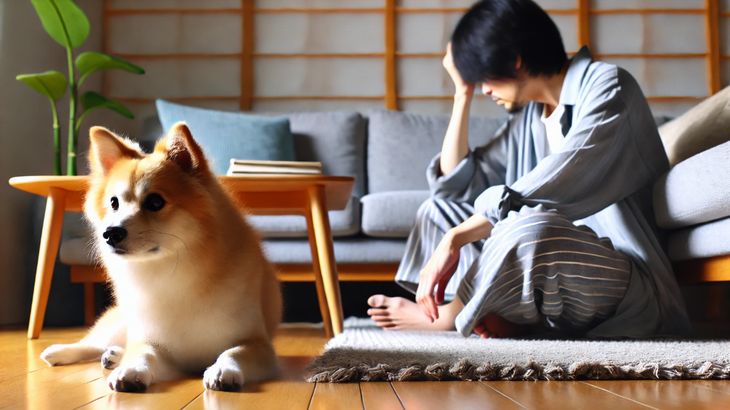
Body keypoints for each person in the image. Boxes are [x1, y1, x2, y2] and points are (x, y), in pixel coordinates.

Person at [366, 0, 691, 339]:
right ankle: (502, 314)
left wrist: (457, 238)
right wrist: (461, 95)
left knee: (530, 227)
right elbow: (452, 187)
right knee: (438, 211)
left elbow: (558, 181)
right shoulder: (528, 119)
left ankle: (450, 315)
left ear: (515, 61)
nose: (484, 90)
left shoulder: (608, 87)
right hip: (554, 281)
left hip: (625, 282)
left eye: (484, 78)